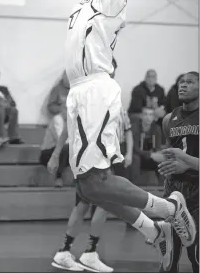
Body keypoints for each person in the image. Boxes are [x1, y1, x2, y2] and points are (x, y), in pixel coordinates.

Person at [57, 0, 196, 271]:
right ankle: (155, 231)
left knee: (99, 182)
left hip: (95, 93)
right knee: (89, 190)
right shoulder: (84, 5)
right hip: (78, 94)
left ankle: (169, 210)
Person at [51, 59, 134, 272]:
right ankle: (87, 253)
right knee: (95, 205)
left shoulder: (109, 96)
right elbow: (68, 129)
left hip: (102, 158)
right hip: (92, 158)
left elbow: (125, 129)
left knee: (85, 205)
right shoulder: (88, 94)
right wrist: (56, 153)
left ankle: (67, 251)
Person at [158, 72, 199, 273]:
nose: (183, 86)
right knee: (169, 259)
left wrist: (187, 165)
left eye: (189, 82)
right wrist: (168, 167)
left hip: (198, 191)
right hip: (174, 191)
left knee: (196, 257)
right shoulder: (169, 119)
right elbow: (170, 154)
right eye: (181, 82)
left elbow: (182, 159)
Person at [39, 71, 70, 187]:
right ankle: (58, 178)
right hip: (49, 152)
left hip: (62, 152)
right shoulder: (58, 119)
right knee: (65, 148)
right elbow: (61, 142)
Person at [0, 68, 24, 152]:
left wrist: (7, 104)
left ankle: (13, 137)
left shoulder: (3, 89)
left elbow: (13, 103)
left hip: (3, 112)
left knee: (13, 110)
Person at [131, 107, 163, 185]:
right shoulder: (134, 127)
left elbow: (158, 147)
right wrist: (150, 154)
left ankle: (163, 189)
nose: (148, 117)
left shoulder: (157, 128)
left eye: (150, 115)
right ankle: (134, 187)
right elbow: (135, 149)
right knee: (135, 159)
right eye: (145, 114)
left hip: (151, 156)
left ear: (153, 117)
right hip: (138, 156)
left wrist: (159, 155)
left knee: (163, 160)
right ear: (141, 116)